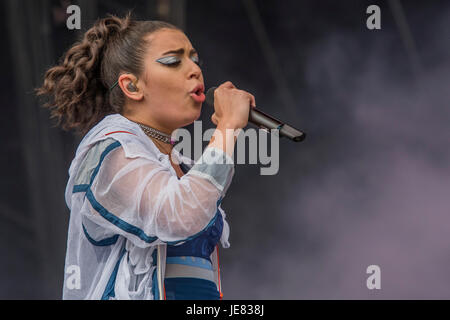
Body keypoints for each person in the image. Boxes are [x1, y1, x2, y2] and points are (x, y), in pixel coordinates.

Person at [36, 13, 256, 300]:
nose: (194, 70)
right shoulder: (110, 152)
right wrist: (227, 128)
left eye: (195, 60)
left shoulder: (183, 166)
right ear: (132, 86)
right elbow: (178, 216)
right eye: (173, 61)